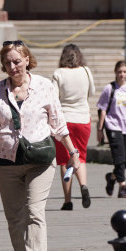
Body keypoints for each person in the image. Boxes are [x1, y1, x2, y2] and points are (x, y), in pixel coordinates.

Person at [0, 40, 82, 251]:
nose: (12, 66)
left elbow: (58, 123)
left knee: (34, 212)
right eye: (8, 62)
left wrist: (72, 151)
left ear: (27, 60)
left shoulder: (45, 86)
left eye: (17, 61)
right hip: (7, 162)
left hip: (39, 161)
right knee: (14, 218)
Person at [51, 43, 95, 210]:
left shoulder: (58, 73)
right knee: (81, 157)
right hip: (83, 119)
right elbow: (92, 92)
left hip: (65, 120)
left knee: (64, 160)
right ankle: (83, 185)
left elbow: (54, 98)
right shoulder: (85, 71)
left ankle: (67, 200)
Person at [96, 60, 126, 198]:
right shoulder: (109, 89)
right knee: (119, 157)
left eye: (125, 72)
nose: (122, 74)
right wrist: (100, 129)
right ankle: (123, 187)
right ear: (115, 72)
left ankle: (112, 177)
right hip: (113, 126)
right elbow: (102, 110)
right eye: (120, 72)